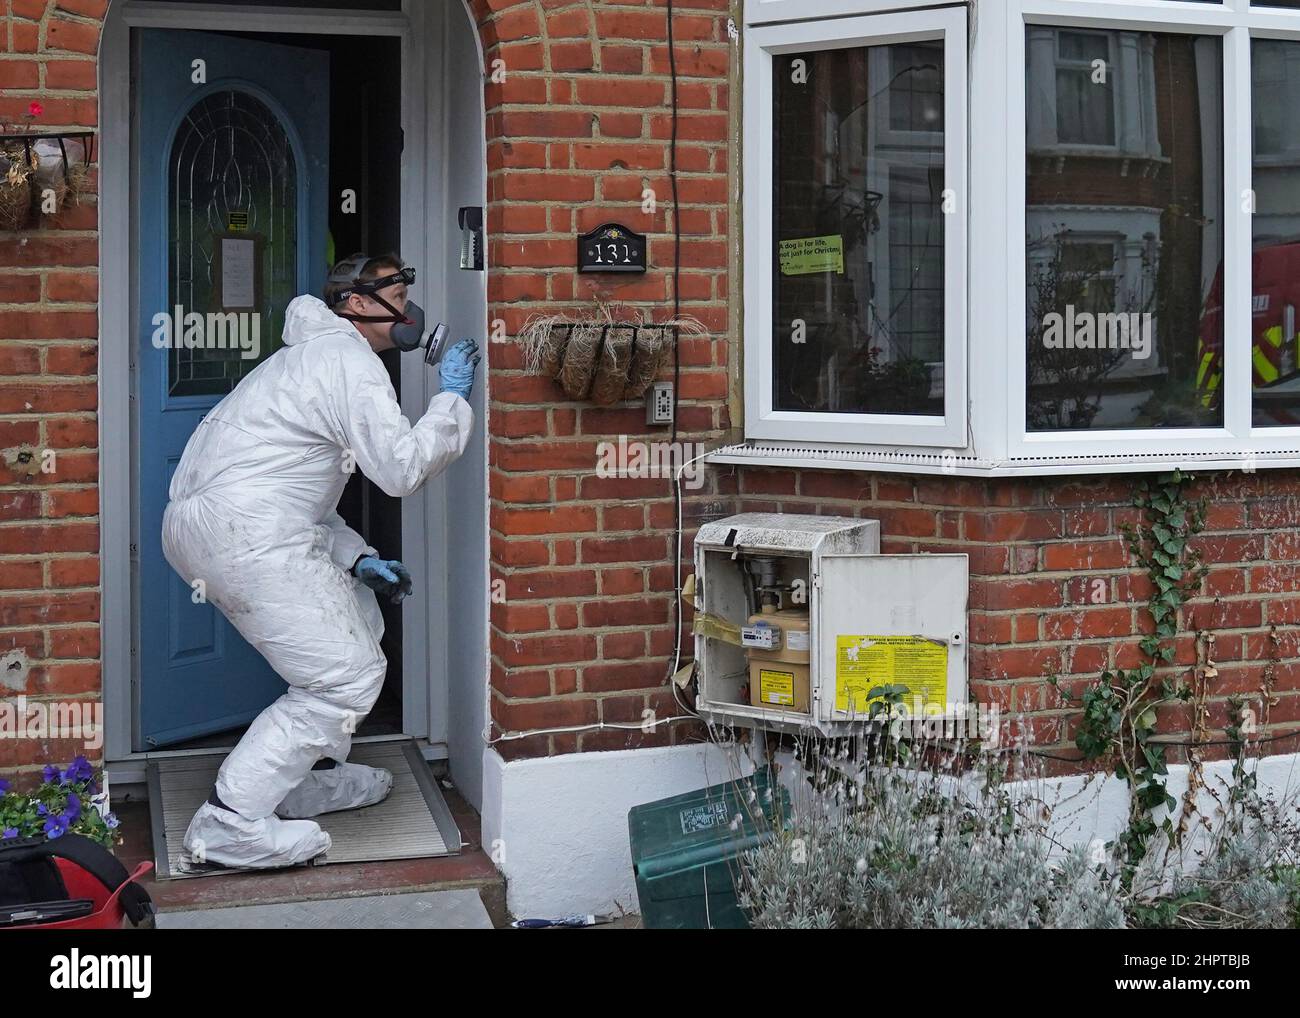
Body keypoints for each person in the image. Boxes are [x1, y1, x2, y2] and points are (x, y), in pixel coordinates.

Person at [161, 253, 480, 869]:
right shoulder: (347, 360)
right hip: (247, 534)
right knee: (345, 677)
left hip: (230, 527)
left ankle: (297, 780)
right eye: (397, 288)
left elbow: (291, 484)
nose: (410, 303)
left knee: (358, 622)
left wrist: (356, 559)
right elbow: (400, 469)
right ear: (357, 304)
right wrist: (451, 401)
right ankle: (230, 825)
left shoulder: (307, 359)